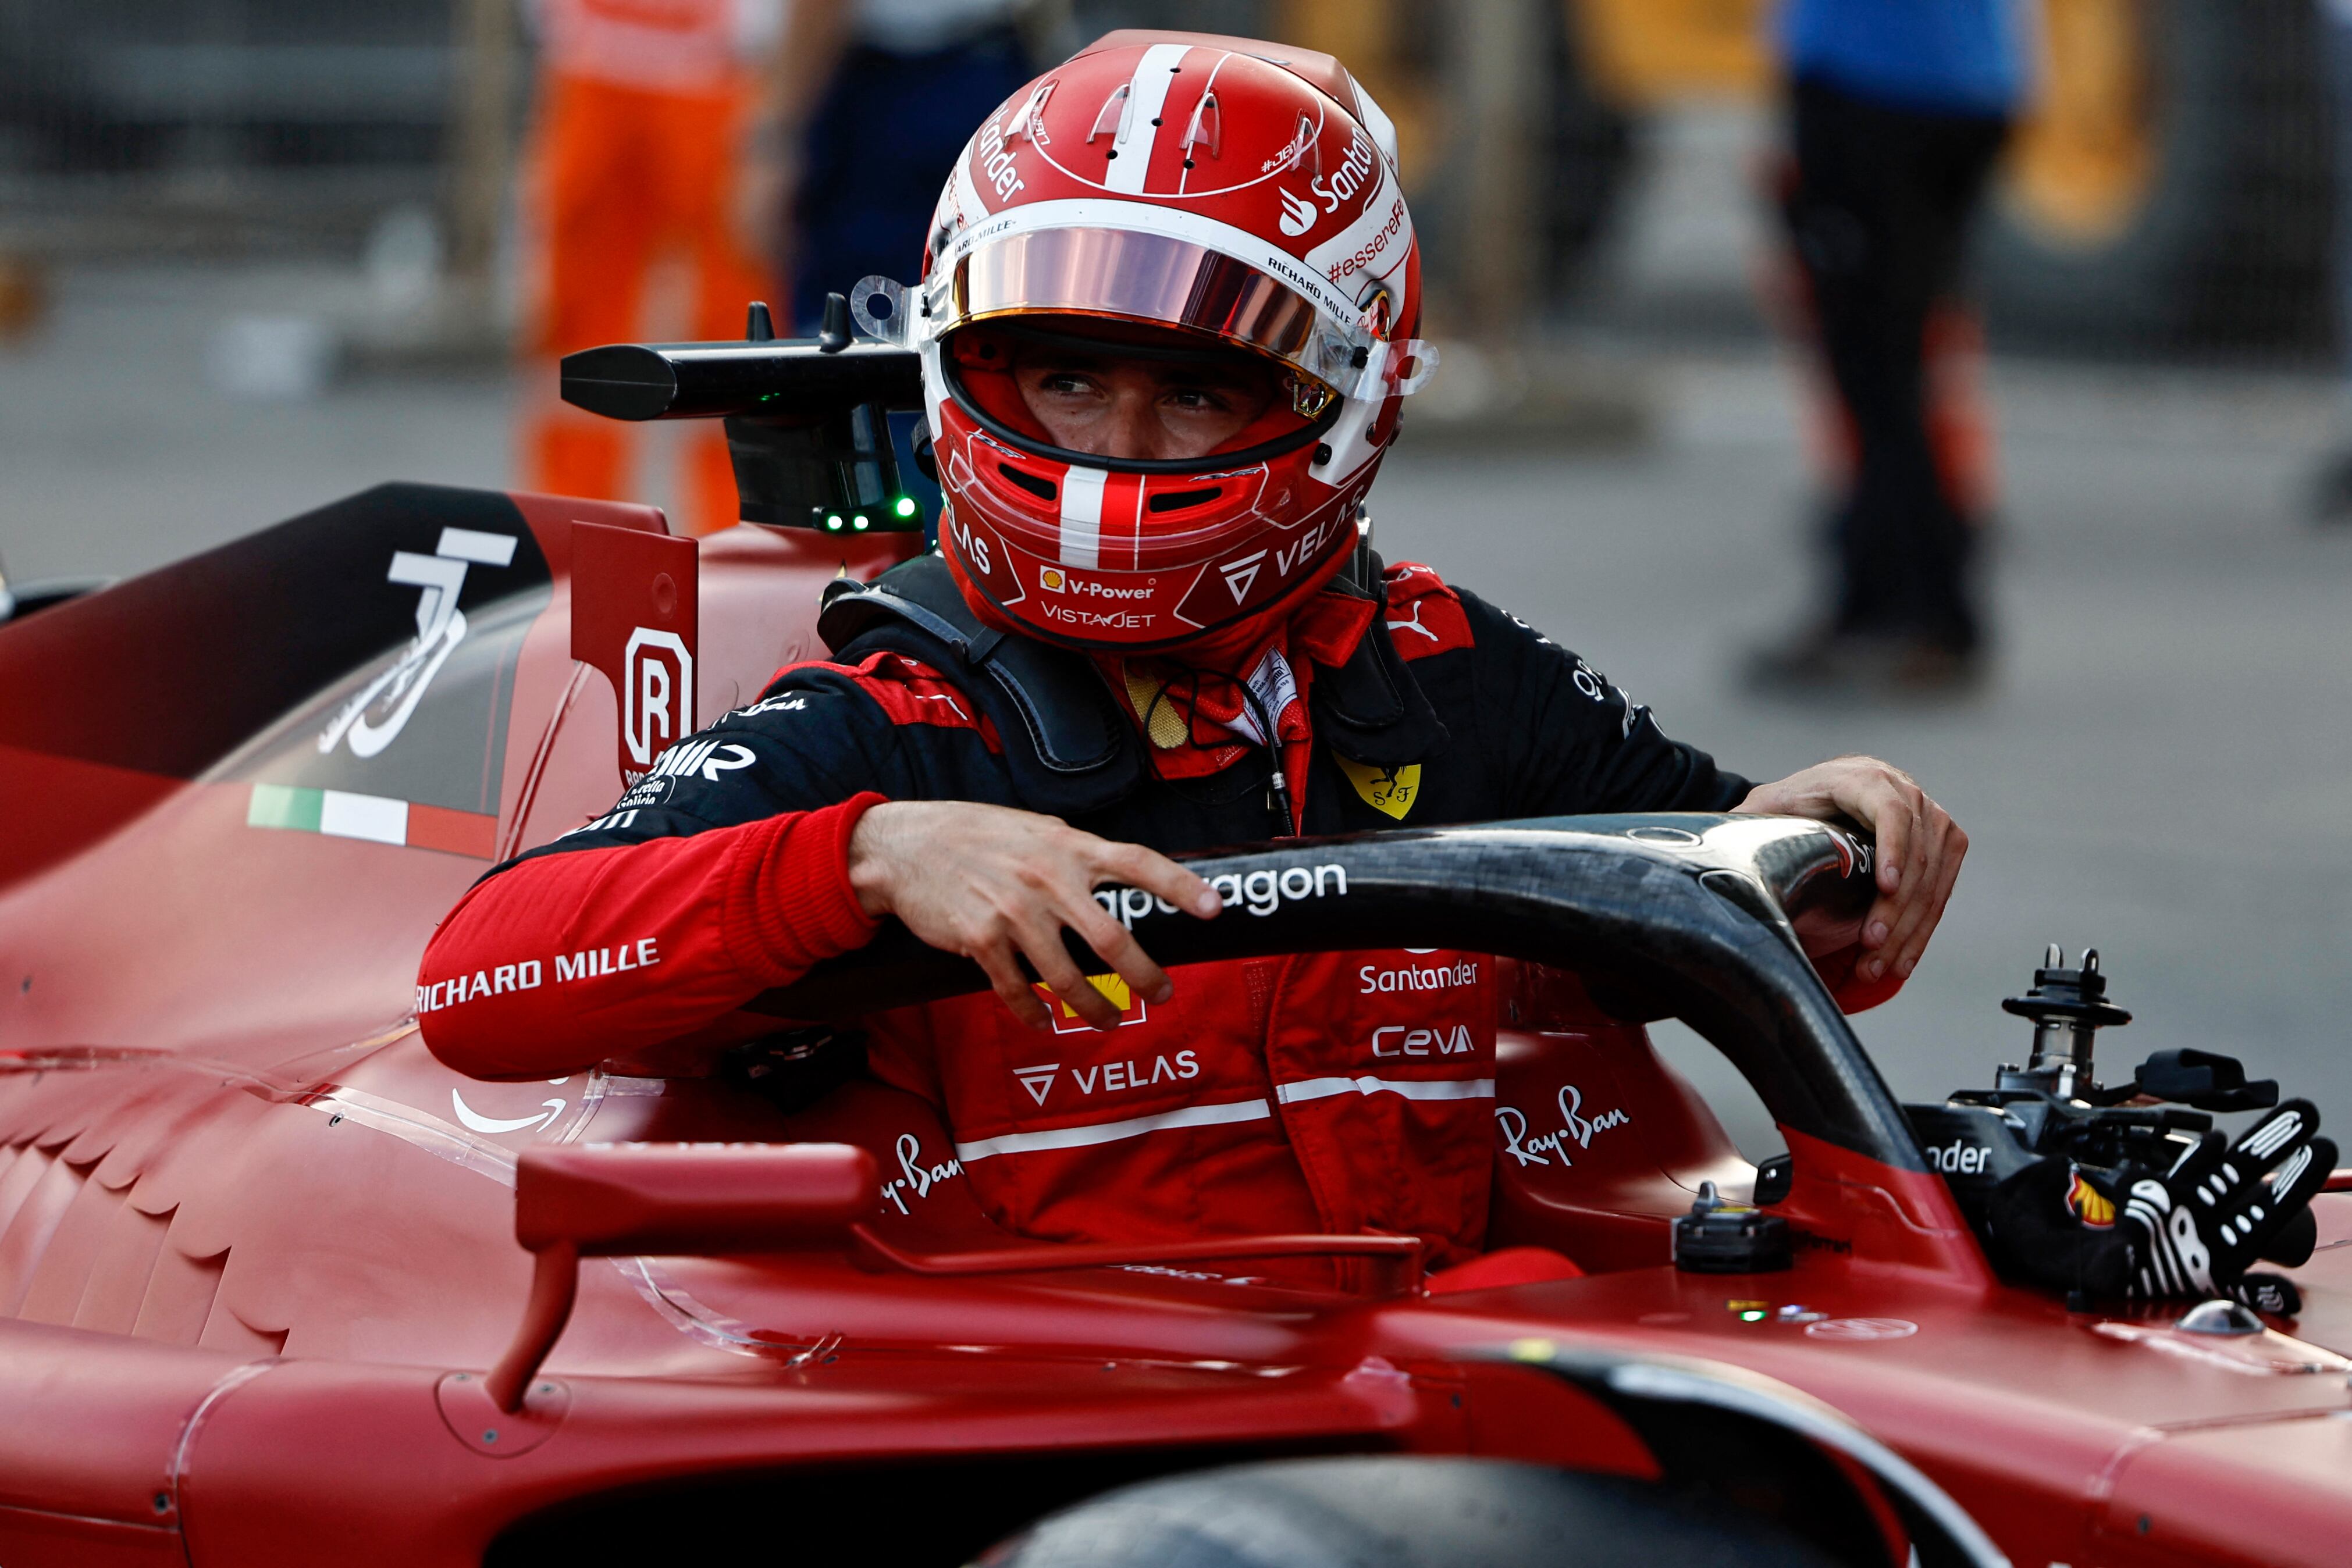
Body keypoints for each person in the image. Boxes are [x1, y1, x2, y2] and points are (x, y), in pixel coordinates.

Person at [419, 33, 1967, 1275]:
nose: (1120, 452)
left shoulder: (1435, 664)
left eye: (1201, 393)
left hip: (1426, 1412)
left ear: (1347, 392)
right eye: (1069, 380)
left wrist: (1827, 829)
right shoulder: (895, 718)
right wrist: (874, 856)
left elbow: (1737, 904)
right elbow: (483, 981)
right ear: (967, 366)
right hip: (1060, 1439)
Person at [1748, 0, 2027, 693]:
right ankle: (1875, 597)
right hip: (1969, 78)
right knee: (1897, 360)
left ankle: (1923, 607)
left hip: (1876, 80)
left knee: (1872, 371)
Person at [517, 0, 777, 537]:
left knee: (735, 332)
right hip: (595, 65)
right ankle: (573, 539)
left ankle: (739, 541)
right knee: (578, 332)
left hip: (718, 71)